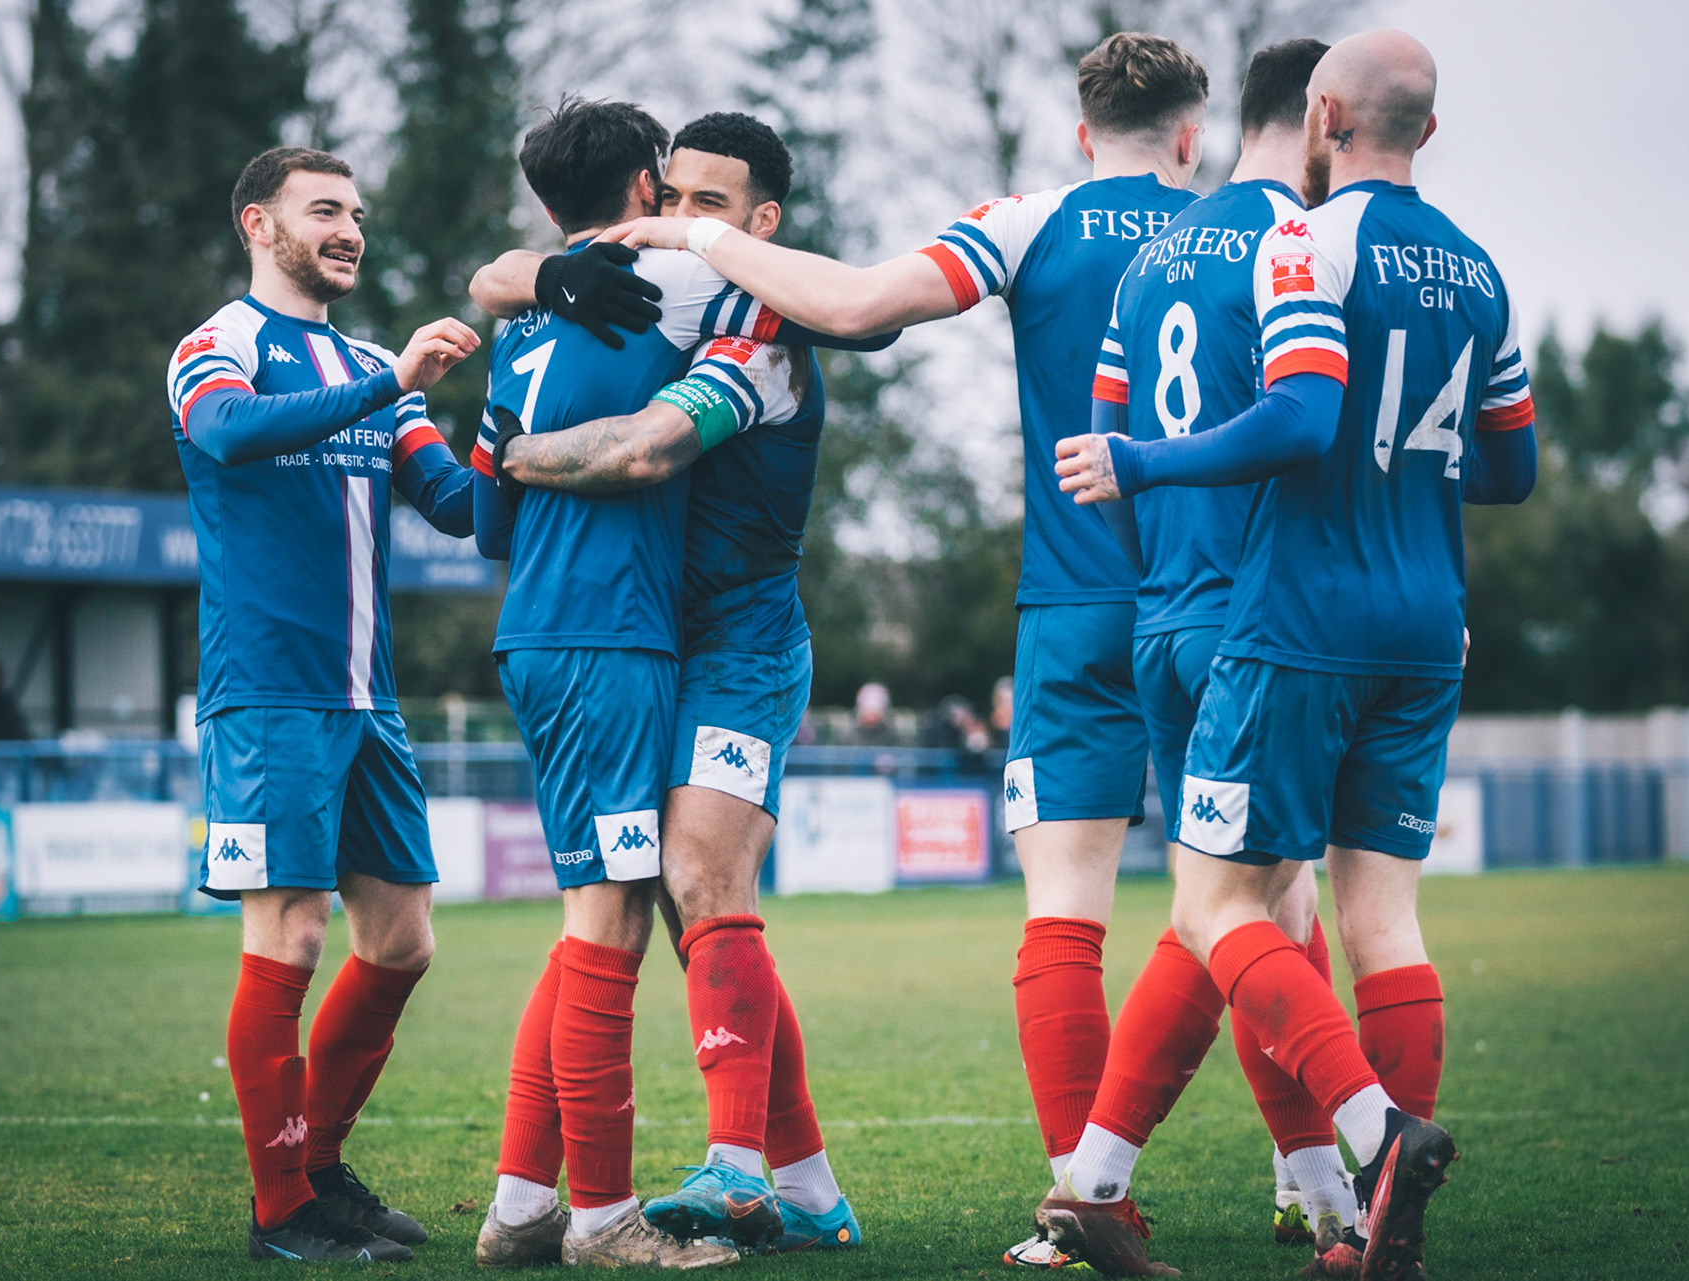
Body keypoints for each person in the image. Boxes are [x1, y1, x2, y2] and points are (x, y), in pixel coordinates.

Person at [599, 33, 1209, 1269]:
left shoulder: (1033, 220)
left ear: (1083, 131)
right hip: (1233, 605)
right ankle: (1319, 1178)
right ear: (1193, 135)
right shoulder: (1261, 233)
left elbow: (863, 308)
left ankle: (1081, 1197)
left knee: (1065, 916)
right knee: (1255, 909)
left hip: (1074, 605)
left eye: (702, 207)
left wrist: (688, 239)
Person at [1054, 29, 1537, 1281]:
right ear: (1426, 131)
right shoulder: (1480, 271)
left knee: (1218, 904)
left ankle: (1372, 1142)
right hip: (1428, 624)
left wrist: (1149, 461)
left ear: (1325, 116)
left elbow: (1301, 414)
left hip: (1295, 622)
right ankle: (1351, 1229)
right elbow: (1511, 466)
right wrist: (1404, 474)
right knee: (1383, 919)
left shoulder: (1301, 242)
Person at [464, 97, 884, 1271]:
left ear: (758, 219)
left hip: (741, 644)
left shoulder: (759, 313)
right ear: (645, 193)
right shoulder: (637, 283)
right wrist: (541, 276)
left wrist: (507, 452)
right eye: (676, 196)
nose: (684, 222)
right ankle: (803, 1190)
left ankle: (735, 1170)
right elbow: (500, 271)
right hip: (640, 637)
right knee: (673, 906)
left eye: (713, 205)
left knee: (694, 877)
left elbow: (651, 442)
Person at [1034, 39, 1371, 1279]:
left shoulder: (1144, 266)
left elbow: (1104, 446)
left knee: (1234, 906)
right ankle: (1368, 1147)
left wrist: (1166, 541)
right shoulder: (1292, 239)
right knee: (1244, 912)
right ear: (1321, 122)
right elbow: (1304, 422)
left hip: (1162, 613)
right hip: (1253, 620)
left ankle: (1311, 1196)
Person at [167, 145, 481, 1263]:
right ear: (260, 223)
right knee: (292, 933)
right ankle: (280, 1209)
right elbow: (229, 434)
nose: (349, 229)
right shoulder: (220, 347)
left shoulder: (360, 361)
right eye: (325, 211)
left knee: (400, 943)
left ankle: (320, 1167)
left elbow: (454, 504)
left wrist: (534, 415)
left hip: (368, 702)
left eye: (356, 213)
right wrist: (392, 381)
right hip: (268, 693)